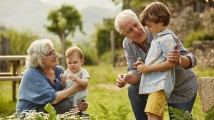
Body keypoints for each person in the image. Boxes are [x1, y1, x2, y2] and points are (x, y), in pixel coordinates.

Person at [114, 9, 198, 120]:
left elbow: (192, 59)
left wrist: (179, 59)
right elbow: (135, 71)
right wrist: (126, 78)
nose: (136, 30)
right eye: (130, 30)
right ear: (123, 34)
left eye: (136, 25)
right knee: (133, 89)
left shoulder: (160, 31)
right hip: (156, 87)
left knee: (179, 118)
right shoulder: (127, 43)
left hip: (180, 87)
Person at [16, 39, 88, 115]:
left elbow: (68, 92)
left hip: (52, 108)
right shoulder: (31, 73)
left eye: (54, 51)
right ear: (39, 58)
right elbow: (53, 99)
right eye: (50, 53)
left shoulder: (59, 70)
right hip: (31, 113)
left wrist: (81, 103)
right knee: (65, 106)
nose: (55, 55)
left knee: (85, 116)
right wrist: (76, 87)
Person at [134, 2, 180, 120]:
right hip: (155, 86)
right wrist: (143, 65)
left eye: (149, 26)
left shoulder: (166, 39)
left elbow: (170, 63)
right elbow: (157, 60)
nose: (148, 30)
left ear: (161, 21)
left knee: (152, 115)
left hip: (159, 86)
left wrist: (147, 68)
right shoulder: (158, 38)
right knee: (157, 116)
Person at [60, 46, 90, 112]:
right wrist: (63, 81)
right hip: (68, 96)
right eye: (69, 63)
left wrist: (77, 80)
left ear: (81, 61)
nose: (72, 65)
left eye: (75, 62)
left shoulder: (83, 72)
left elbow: (85, 83)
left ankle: (75, 113)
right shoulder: (67, 72)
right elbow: (63, 86)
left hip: (78, 97)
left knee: (78, 105)